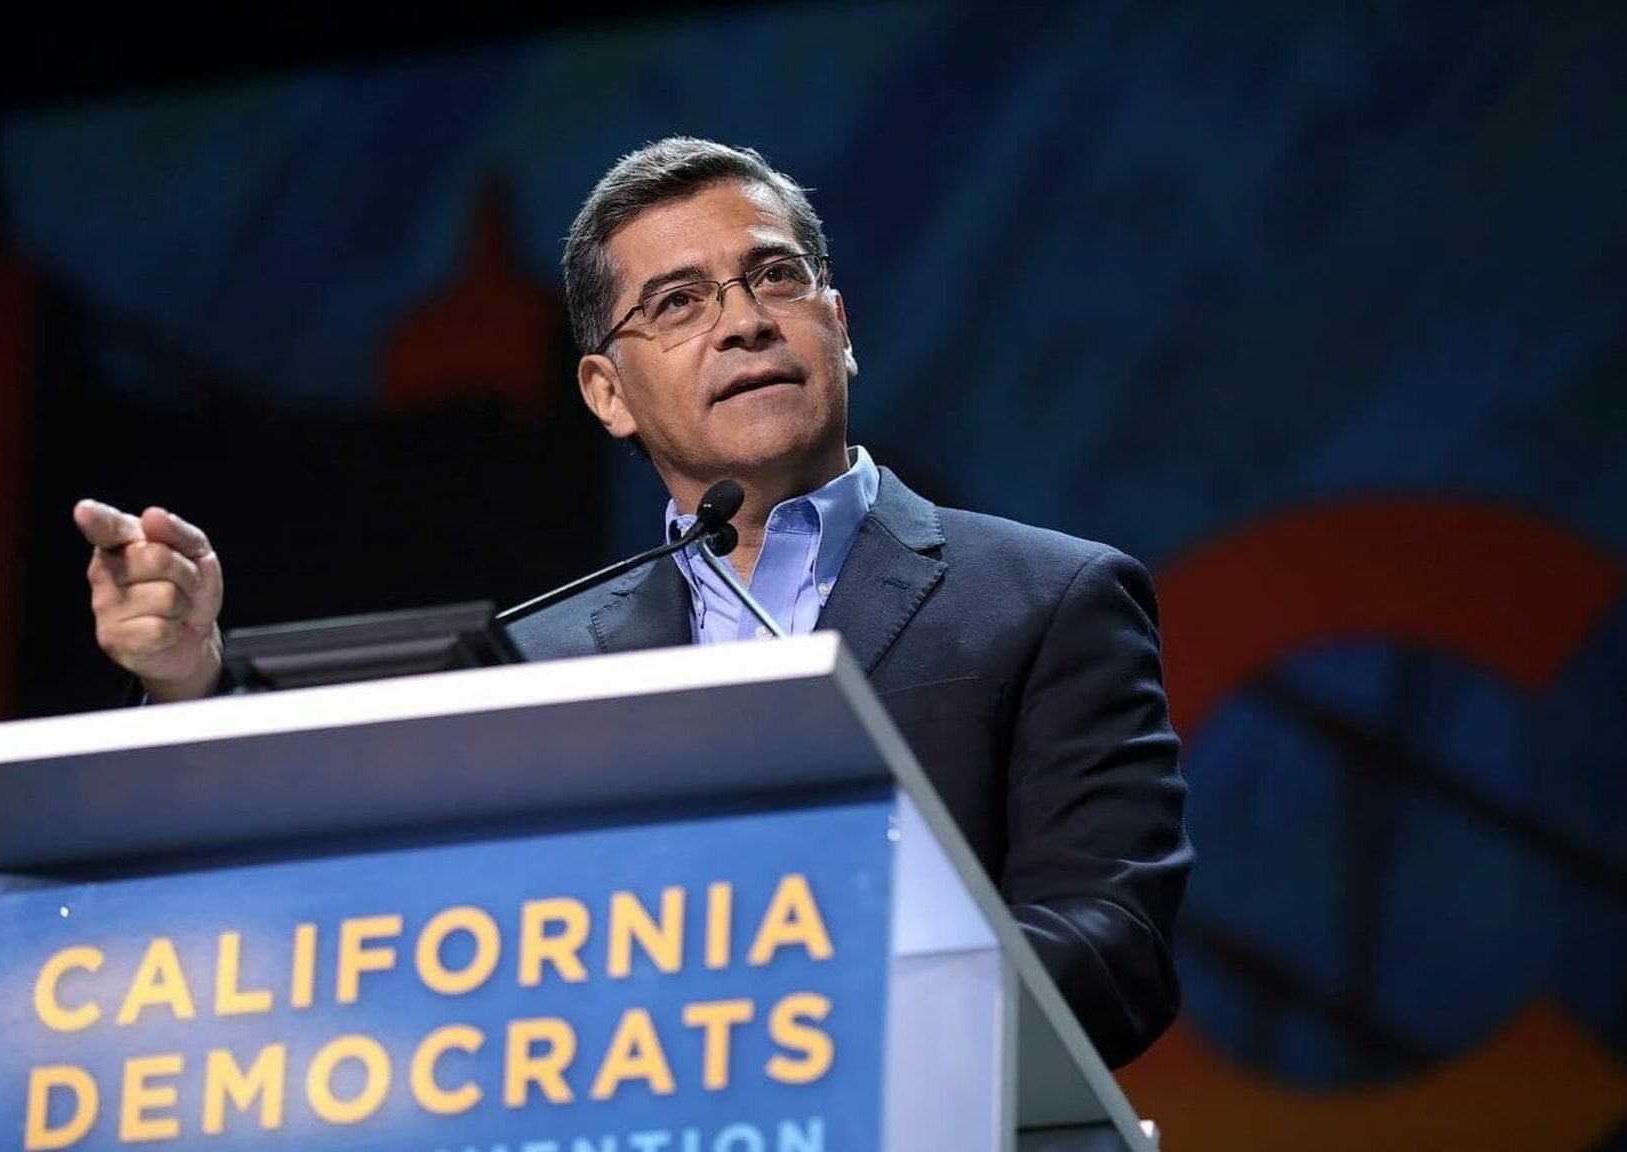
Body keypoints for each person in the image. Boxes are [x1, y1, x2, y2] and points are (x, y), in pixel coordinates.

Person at [73, 136, 1192, 1068]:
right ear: (606, 393)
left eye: (776, 278)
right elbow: (357, 919)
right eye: (678, 302)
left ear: (840, 326)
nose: (746, 321)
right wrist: (187, 678)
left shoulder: (1047, 597)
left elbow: (1113, 945)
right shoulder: (533, 659)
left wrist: (808, 1003)